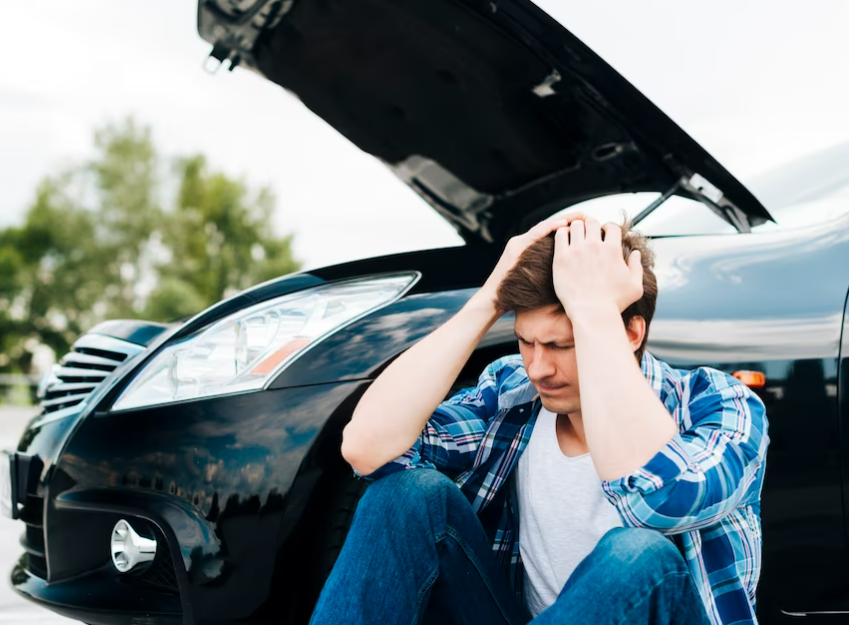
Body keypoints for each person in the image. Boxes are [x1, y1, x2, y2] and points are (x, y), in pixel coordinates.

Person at [311, 214, 770, 625]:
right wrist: (488, 298)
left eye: (560, 345)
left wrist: (593, 312)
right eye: (525, 342)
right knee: (407, 495)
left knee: (637, 552)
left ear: (631, 332)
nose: (537, 368)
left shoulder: (717, 403)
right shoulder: (514, 395)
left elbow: (658, 502)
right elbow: (368, 448)